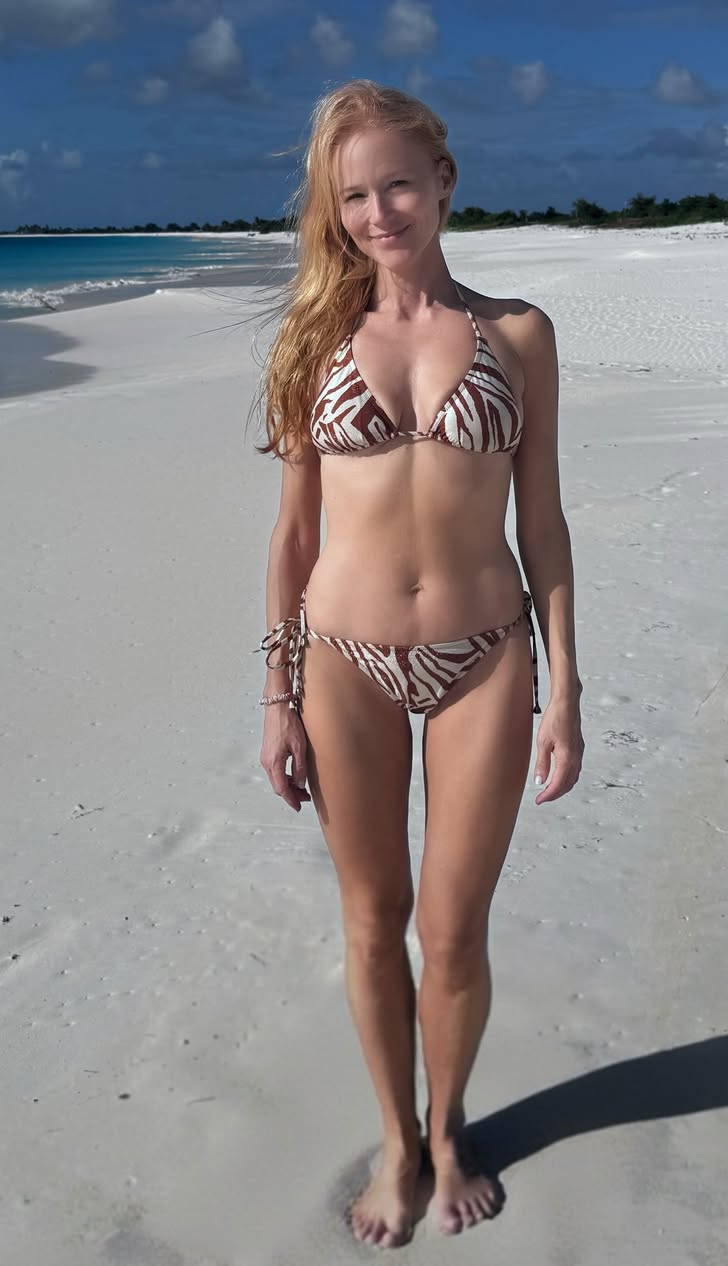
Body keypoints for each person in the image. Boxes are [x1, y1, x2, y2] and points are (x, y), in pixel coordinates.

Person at [255, 80, 584, 1247]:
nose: (378, 213)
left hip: (485, 657)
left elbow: (542, 522)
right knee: (370, 916)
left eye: (397, 184)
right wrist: (277, 693)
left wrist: (566, 691)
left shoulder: (519, 334)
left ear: (444, 180)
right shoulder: (315, 341)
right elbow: (295, 537)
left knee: (451, 929)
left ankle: (449, 1133)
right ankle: (398, 1143)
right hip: (344, 661)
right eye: (353, 196)